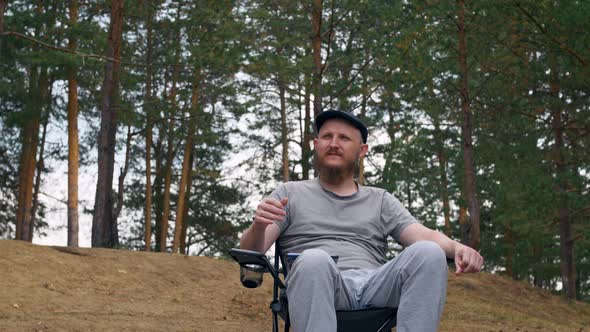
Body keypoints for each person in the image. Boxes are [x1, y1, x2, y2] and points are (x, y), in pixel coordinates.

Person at [240, 110, 484, 332]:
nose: (334, 144)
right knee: (315, 258)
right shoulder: (288, 193)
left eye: (344, 138)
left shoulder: (380, 200)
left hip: (374, 285)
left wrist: (457, 247)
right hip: (318, 282)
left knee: (429, 252)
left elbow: (423, 235)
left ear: (362, 150)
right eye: (327, 137)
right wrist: (258, 226)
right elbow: (252, 251)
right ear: (316, 145)